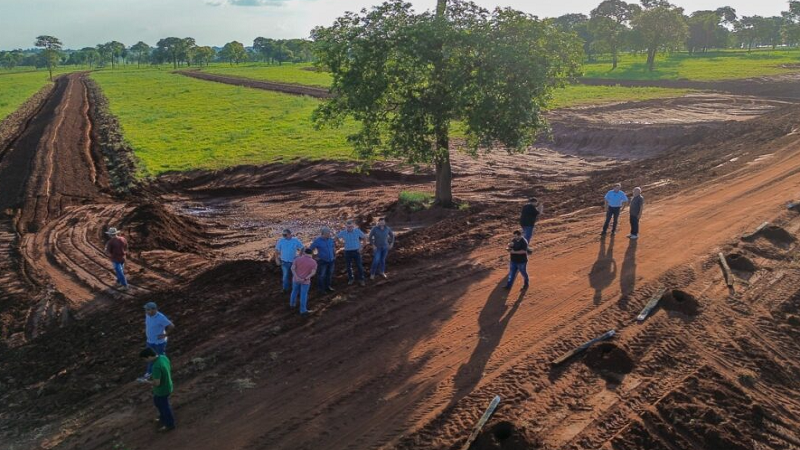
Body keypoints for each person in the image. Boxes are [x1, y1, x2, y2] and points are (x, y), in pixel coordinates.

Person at [139, 347, 175, 432]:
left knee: (164, 407)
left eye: (145, 359)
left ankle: (169, 424)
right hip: (168, 384)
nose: (145, 361)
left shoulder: (156, 367)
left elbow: (156, 383)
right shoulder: (163, 357)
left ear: (149, 357)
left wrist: (145, 381)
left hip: (162, 390)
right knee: (158, 402)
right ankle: (163, 418)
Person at [138, 302, 174, 383]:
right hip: (150, 341)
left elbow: (171, 326)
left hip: (159, 342)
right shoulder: (147, 315)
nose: (146, 311)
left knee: (159, 357)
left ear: (154, 310)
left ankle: (164, 370)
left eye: (148, 310)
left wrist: (165, 334)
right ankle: (149, 373)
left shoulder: (161, 318)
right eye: (146, 310)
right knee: (150, 357)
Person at [336, 220, 366, 286]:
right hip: (347, 251)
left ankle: (361, 279)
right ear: (346, 226)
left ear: (353, 226)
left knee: (359, 266)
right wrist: (340, 243)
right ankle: (351, 279)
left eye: (351, 226)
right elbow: (336, 237)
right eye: (348, 227)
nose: (350, 228)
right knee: (348, 266)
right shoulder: (343, 232)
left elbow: (364, 238)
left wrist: (361, 247)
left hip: (356, 251)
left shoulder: (357, 231)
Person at [290, 248, 318, 315]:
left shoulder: (297, 259)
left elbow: (292, 268)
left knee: (294, 291)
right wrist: (305, 278)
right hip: (305, 281)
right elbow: (313, 273)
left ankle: (292, 304)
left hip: (296, 280)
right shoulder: (314, 262)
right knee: (304, 295)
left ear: (304, 253)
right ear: (311, 253)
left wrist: (296, 277)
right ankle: (303, 310)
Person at [309, 227, 336, 294]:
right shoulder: (317, 241)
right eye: (327, 234)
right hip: (322, 261)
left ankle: (328, 287)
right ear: (323, 234)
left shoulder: (330, 240)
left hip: (331, 260)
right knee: (321, 275)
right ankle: (321, 289)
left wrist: (334, 255)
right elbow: (310, 249)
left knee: (329, 274)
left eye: (329, 233)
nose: (329, 235)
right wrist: (314, 257)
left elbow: (333, 247)